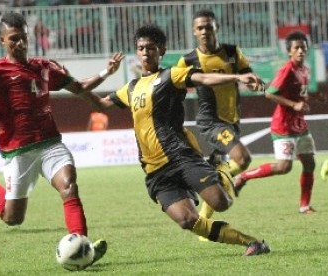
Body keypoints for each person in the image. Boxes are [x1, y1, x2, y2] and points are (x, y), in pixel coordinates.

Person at [0, 12, 124, 269]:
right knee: (13, 218)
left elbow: (79, 87)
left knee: (69, 187)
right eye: (14, 39)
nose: (20, 43)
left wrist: (106, 72)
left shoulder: (45, 67)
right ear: (2, 40)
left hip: (50, 144)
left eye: (23, 37)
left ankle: (82, 248)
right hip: (18, 152)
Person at [82, 24, 270, 256]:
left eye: (150, 48)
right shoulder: (129, 88)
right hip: (154, 170)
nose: (145, 53)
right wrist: (104, 74)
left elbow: (203, 77)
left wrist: (238, 77)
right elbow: (99, 104)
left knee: (221, 203)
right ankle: (252, 243)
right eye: (140, 48)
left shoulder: (170, 75)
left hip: (180, 157)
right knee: (187, 220)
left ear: (161, 50)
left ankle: (220, 169)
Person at [176, 9, 255, 225]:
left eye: (208, 27)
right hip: (211, 122)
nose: (204, 31)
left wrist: (253, 80)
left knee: (221, 169)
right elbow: (172, 85)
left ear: (216, 28)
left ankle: (203, 223)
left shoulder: (231, 52)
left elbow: (249, 74)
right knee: (243, 158)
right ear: (194, 31)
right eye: (200, 28)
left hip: (232, 120)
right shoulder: (188, 60)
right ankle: (212, 178)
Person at [234, 31, 324, 214]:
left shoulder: (305, 69)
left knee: (309, 163)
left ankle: (304, 206)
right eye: (296, 48)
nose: (300, 50)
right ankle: (243, 177)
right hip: (283, 126)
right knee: (284, 167)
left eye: (303, 47)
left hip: (299, 125)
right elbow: (269, 93)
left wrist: (309, 99)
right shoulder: (286, 70)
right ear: (289, 51)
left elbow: (299, 94)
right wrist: (294, 104)